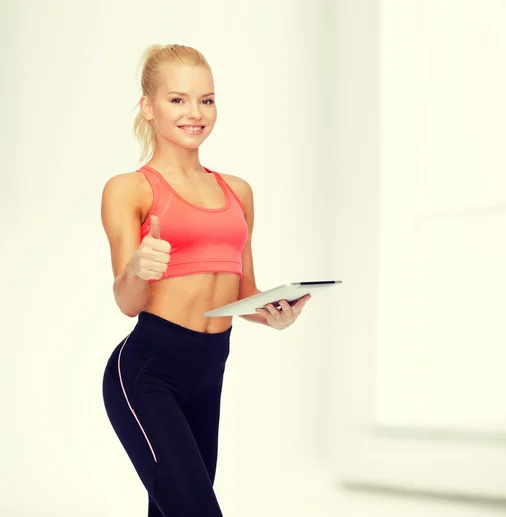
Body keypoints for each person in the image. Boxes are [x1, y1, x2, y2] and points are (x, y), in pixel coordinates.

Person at [101, 43, 311, 517]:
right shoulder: (129, 189)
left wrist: (274, 313)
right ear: (148, 107)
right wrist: (137, 268)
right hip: (148, 372)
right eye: (177, 99)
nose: (194, 113)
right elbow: (127, 301)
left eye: (206, 100)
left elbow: (245, 295)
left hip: (208, 372)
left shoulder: (237, 191)